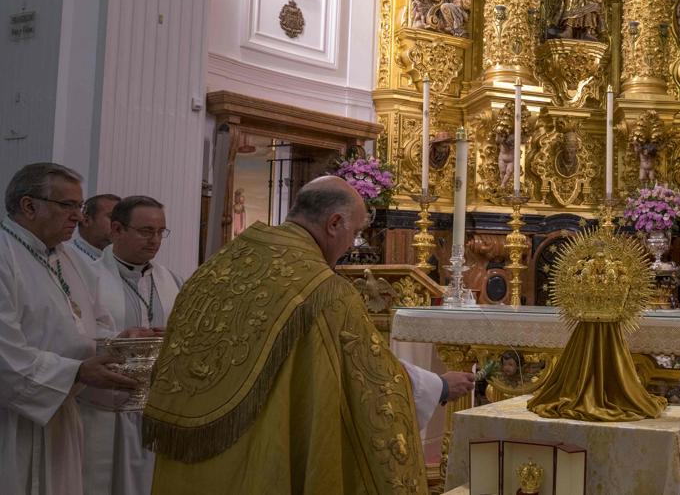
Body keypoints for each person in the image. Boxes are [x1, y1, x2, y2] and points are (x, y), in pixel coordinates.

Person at [144, 176, 474, 494]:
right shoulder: (323, 291)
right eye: (355, 232)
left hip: (191, 457)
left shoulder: (220, 265)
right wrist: (440, 386)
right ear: (333, 223)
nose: (352, 245)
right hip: (258, 459)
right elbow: (372, 385)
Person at [0, 163, 141, 495]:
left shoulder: (69, 260)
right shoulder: (5, 256)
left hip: (61, 414)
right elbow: (6, 357)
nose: (78, 217)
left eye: (79, 206)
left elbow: (92, 324)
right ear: (29, 206)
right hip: (12, 422)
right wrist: (77, 372)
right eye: (68, 205)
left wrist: (120, 342)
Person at [80, 196, 184, 495]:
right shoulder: (88, 277)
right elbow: (73, 337)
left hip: (156, 411)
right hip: (104, 411)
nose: (155, 241)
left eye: (160, 232)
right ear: (116, 229)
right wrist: (118, 339)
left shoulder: (172, 281)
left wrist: (174, 335)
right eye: (145, 231)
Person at [64, 193, 120, 286]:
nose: (119, 225)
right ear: (86, 221)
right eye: (112, 217)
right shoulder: (67, 258)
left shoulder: (120, 259)